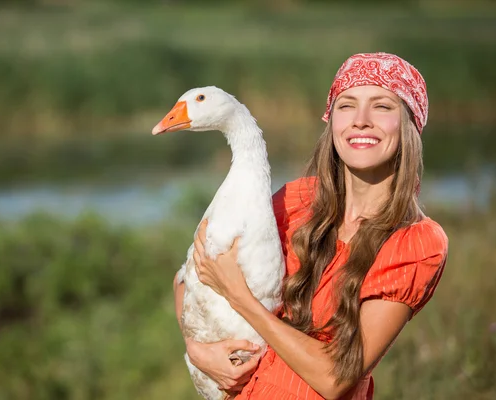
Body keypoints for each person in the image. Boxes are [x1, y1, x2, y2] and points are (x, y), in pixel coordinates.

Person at [173, 52, 448, 400]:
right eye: (347, 106)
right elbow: (190, 278)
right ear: (331, 120)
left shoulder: (415, 243)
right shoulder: (295, 201)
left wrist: (241, 299)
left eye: (382, 106)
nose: (360, 120)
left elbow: (336, 378)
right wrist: (197, 349)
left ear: (409, 124)